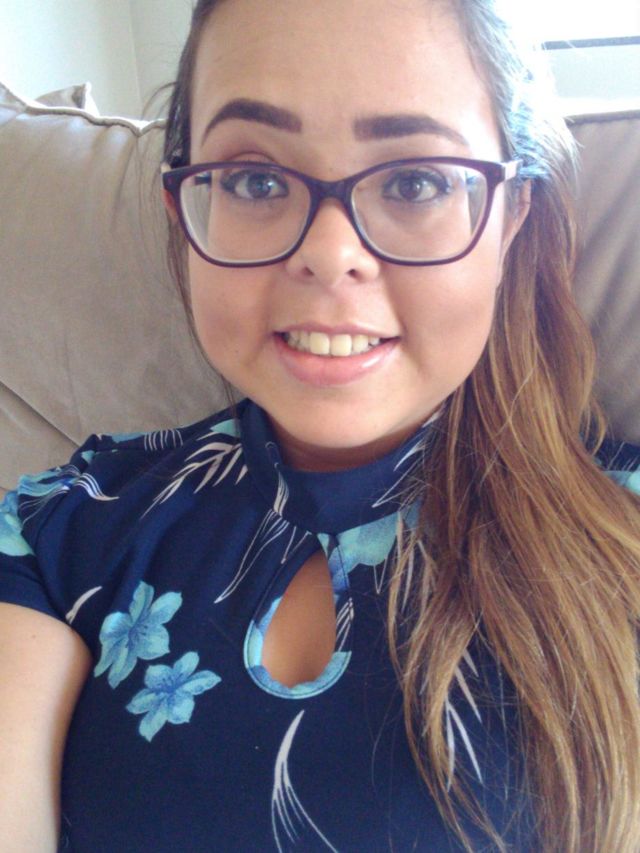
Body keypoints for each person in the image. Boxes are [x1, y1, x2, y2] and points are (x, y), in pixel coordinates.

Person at [1, 0, 640, 850]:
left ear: (511, 218)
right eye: (256, 181)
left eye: (415, 181)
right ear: (184, 211)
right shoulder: (54, 534)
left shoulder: (623, 539)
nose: (331, 253)